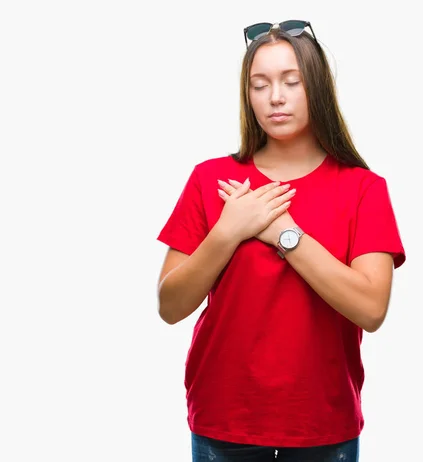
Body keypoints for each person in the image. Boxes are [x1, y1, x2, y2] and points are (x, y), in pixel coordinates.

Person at [156, 20, 406, 462]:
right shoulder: (211, 180)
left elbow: (371, 309)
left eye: (292, 82)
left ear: (317, 88)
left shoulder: (363, 188)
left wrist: (284, 234)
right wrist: (228, 230)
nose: (275, 96)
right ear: (246, 95)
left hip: (323, 422)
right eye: (260, 84)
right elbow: (170, 306)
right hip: (224, 419)